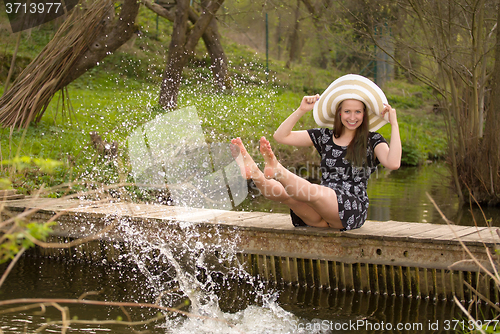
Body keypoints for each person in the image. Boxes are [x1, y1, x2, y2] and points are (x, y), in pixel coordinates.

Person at [231, 74, 401, 231]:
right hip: (320, 211)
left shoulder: (373, 140)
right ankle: (254, 172)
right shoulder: (325, 136)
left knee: (313, 192)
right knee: (285, 195)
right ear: (339, 113)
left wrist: (394, 124)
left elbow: (393, 163)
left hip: (351, 208)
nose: (352, 117)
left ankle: (278, 170)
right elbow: (281, 136)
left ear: (364, 114)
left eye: (358, 112)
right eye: (347, 111)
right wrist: (302, 110)